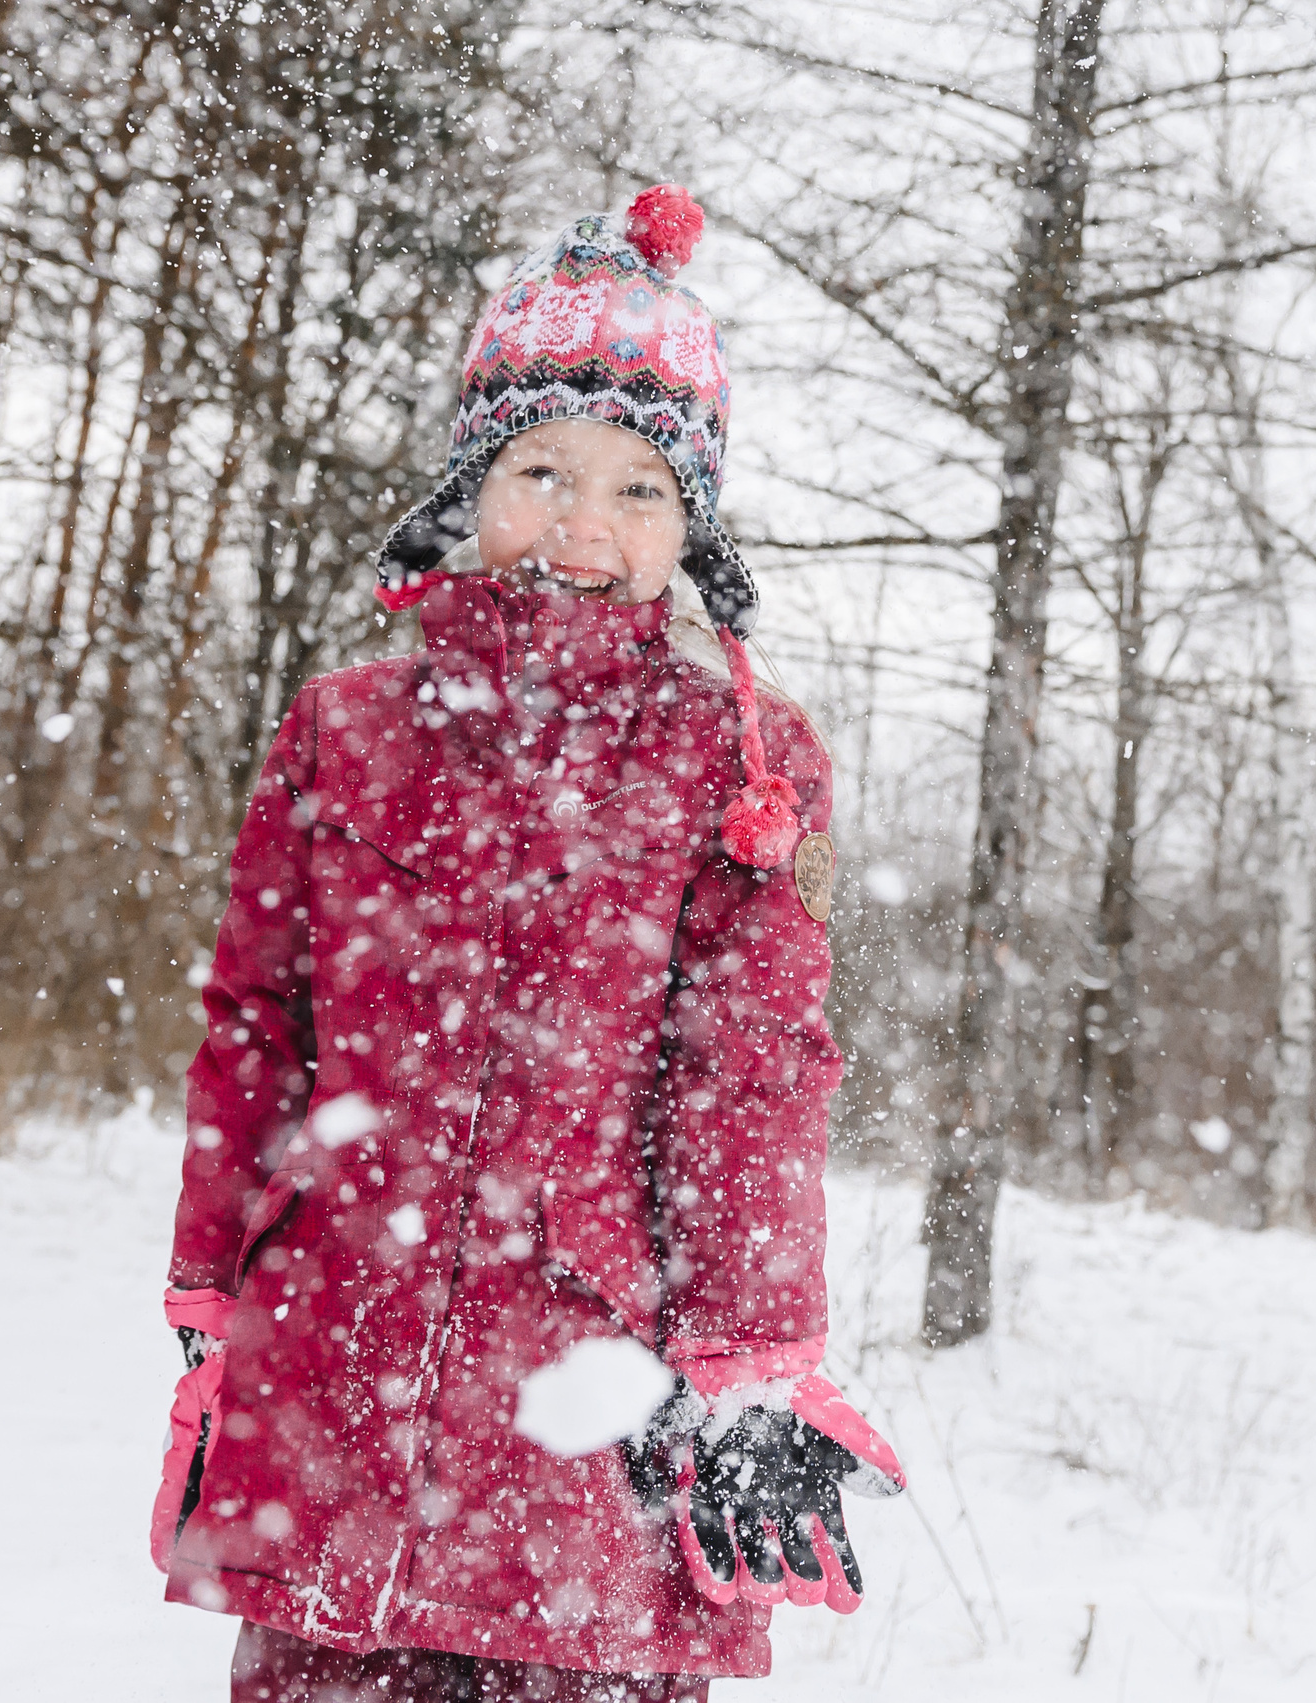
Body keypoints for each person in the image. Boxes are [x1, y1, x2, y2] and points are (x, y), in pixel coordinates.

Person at [150, 185, 903, 1703]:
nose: (582, 524)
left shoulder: (740, 760)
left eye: (642, 489)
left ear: (692, 529)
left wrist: (751, 1361)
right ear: (469, 489)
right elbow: (257, 1028)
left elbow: (754, 1075)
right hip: (337, 1361)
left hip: (594, 1392)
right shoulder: (346, 731)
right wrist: (213, 1289)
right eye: (540, 469)